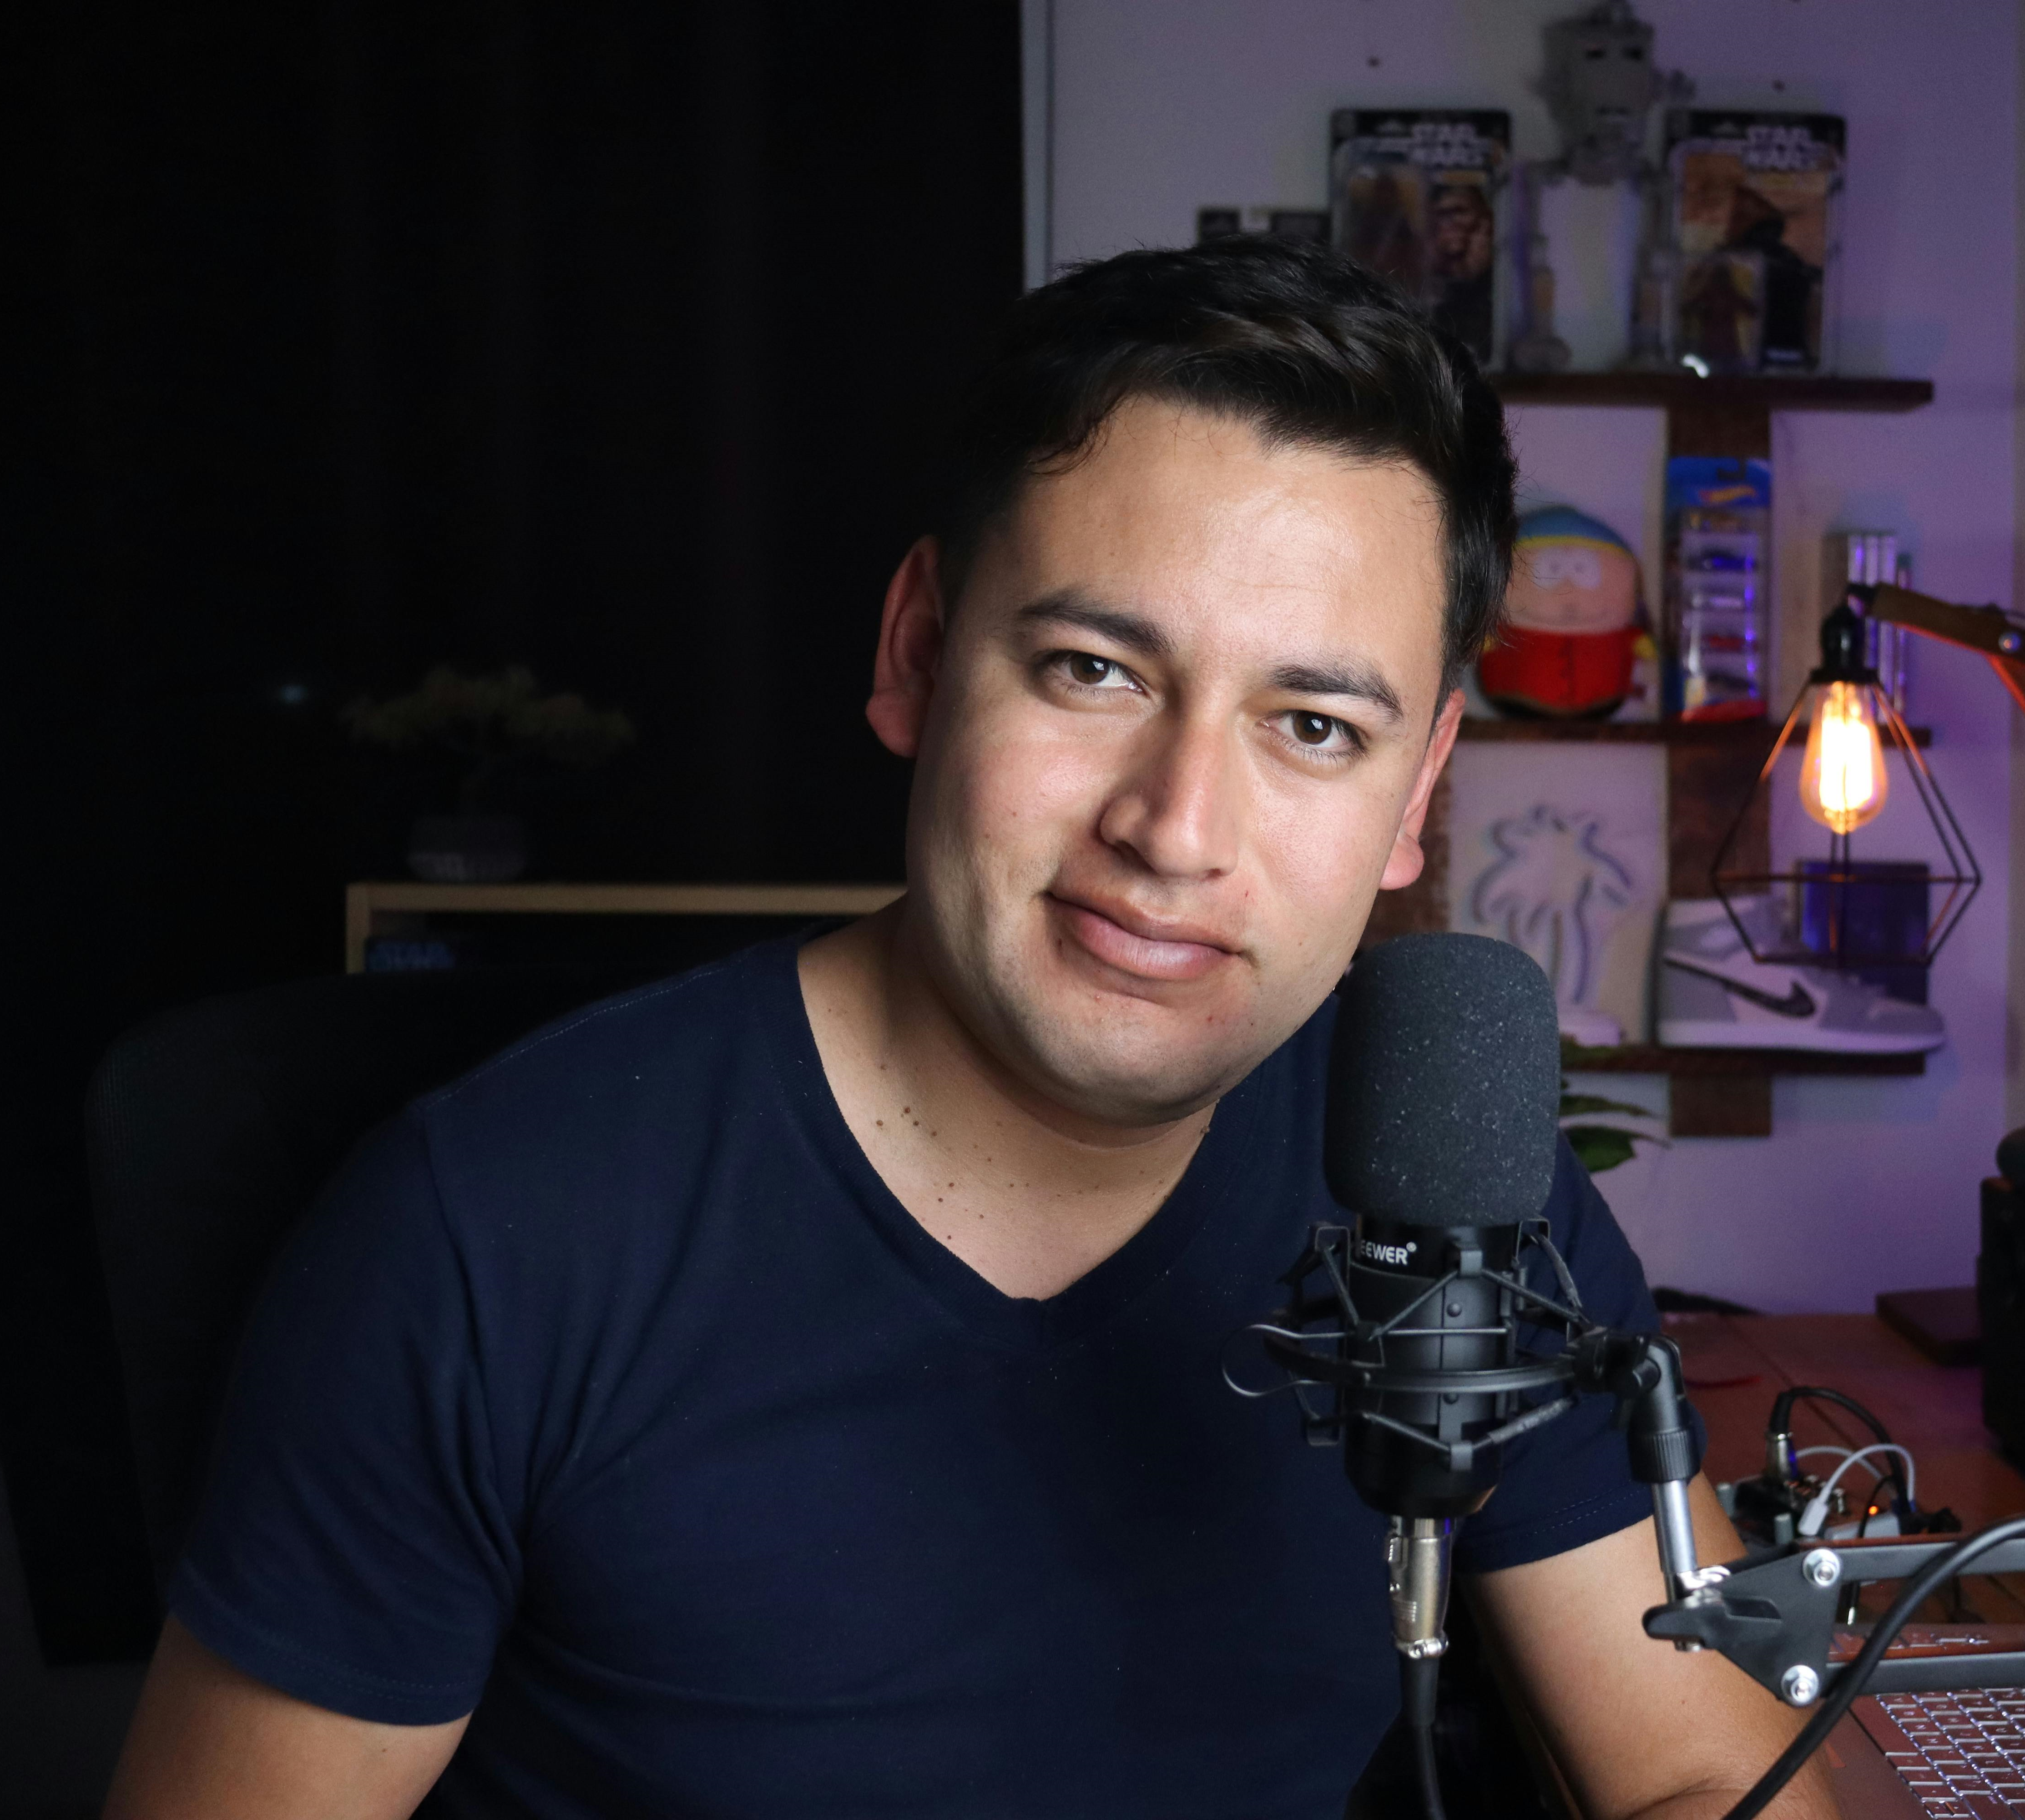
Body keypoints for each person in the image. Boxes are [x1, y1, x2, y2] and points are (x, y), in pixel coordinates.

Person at [104, 237, 1836, 1820]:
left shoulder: (1453, 1195)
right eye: (1095, 672)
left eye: (1311, 725)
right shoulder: (484, 1237)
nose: (1175, 828)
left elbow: (1699, 1764)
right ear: (921, 653)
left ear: (1418, 799)